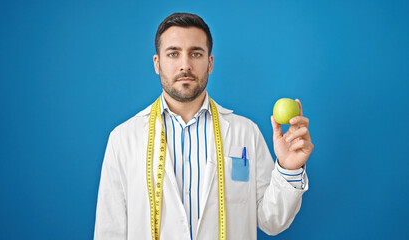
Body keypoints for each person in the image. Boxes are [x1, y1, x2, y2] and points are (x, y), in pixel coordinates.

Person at [94, 12, 313, 240]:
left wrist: (289, 169)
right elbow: (109, 231)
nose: (185, 65)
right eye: (173, 54)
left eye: (195, 53)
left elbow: (272, 221)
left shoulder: (246, 133)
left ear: (209, 63)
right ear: (157, 64)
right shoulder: (123, 139)